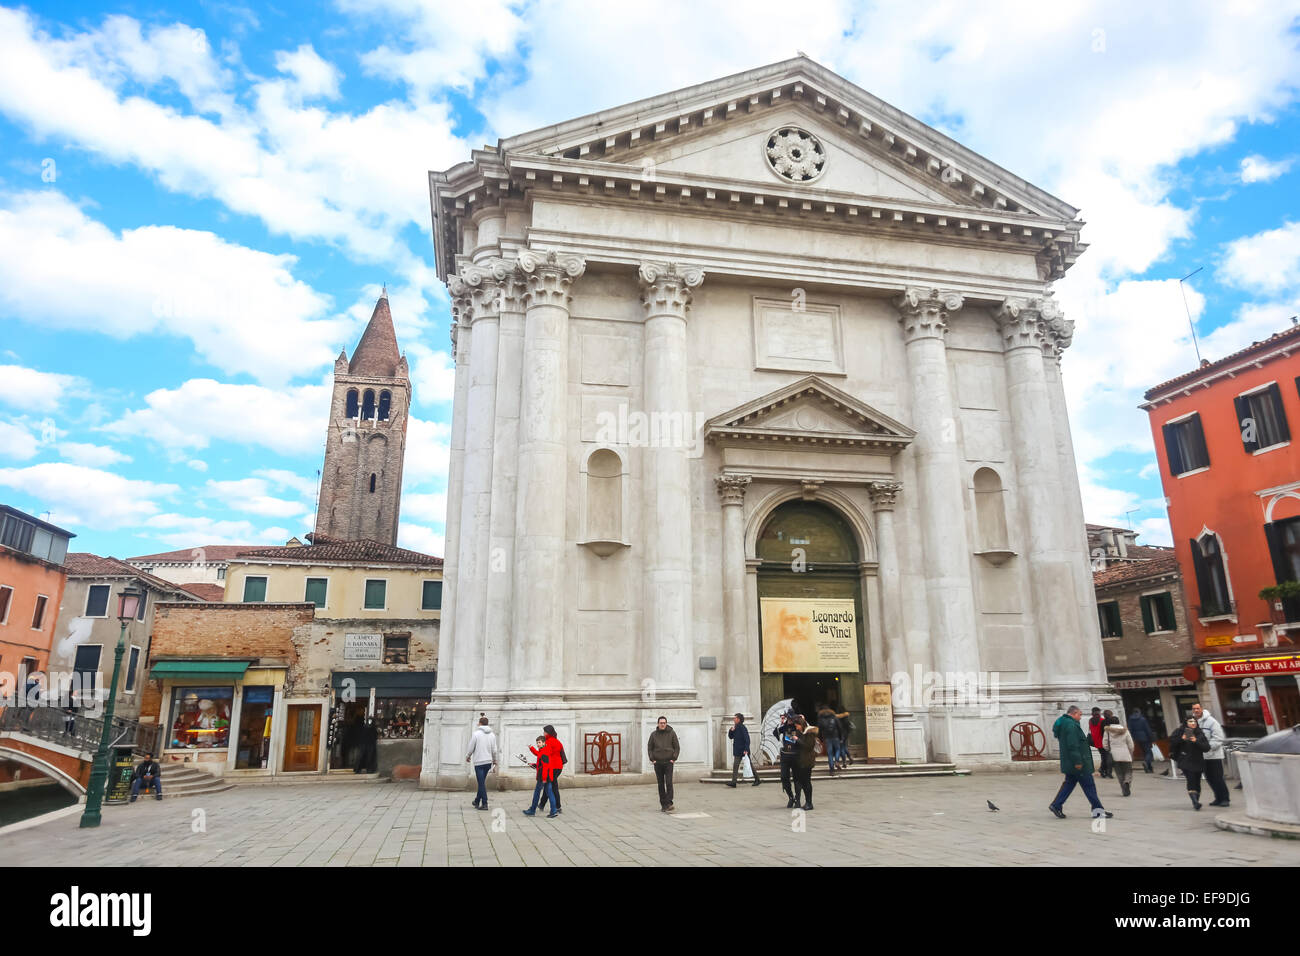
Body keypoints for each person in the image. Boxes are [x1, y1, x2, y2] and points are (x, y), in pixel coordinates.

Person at [1048, 706, 1112, 820]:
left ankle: (1056, 805)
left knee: (1069, 783)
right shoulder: (1071, 725)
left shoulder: (1064, 723)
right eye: (1079, 714)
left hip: (1070, 761)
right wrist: (1078, 761)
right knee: (1089, 786)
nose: (1080, 717)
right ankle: (1097, 811)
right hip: (1078, 762)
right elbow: (1073, 745)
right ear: (1074, 713)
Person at [1190, 703, 1230, 807]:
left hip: (1213, 755)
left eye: (1198, 708)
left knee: (1217, 777)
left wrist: (1207, 748)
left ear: (1202, 709)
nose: (1196, 710)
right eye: (1194, 709)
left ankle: (1225, 798)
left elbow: (1218, 737)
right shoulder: (1192, 722)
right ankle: (1218, 798)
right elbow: (1189, 737)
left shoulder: (1211, 722)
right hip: (1201, 756)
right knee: (1209, 778)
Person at [1169, 717, 1211, 810]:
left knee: (1197, 781)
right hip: (1185, 760)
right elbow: (1172, 744)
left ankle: (1196, 800)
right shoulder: (1179, 731)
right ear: (1186, 722)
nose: (1193, 723)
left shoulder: (1199, 733)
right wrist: (1182, 739)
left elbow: (1206, 748)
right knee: (1191, 779)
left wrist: (1196, 741)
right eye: (1190, 721)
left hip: (1198, 761)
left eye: (1194, 721)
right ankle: (1195, 802)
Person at [523, 729, 562, 818]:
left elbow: (545, 767)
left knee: (537, 792)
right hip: (547, 776)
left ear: (544, 743)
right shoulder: (544, 750)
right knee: (550, 793)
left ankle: (532, 810)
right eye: (537, 743)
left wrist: (544, 778)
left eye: (539, 742)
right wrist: (531, 748)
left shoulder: (544, 752)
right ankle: (553, 811)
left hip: (544, 777)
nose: (538, 744)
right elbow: (538, 754)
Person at [647, 715, 680, 812]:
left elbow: (677, 747)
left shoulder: (672, 733)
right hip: (658, 763)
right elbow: (649, 748)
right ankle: (663, 804)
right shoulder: (653, 735)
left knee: (669, 782)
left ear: (666, 723)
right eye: (661, 723)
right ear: (658, 724)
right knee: (660, 784)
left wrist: (674, 758)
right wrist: (652, 759)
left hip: (669, 762)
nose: (662, 724)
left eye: (664, 723)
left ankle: (669, 802)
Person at [465, 715, 498, 810]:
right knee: (482, 782)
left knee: (481, 783)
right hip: (488, 762)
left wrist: (468, 756)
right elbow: (494, 750)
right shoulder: (492, 735)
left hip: (479, 762)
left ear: (480, 723)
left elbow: (471, 747)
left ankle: (485, 804)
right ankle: (476, 801)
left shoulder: (476, 734)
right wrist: (494, 760)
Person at [773, 709, 800, 808]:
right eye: (789, 717)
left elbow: (803, 736)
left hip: (796, 755)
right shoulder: (783, 727)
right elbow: (775, 733)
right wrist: (780, 723)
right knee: (784, 777)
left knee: (797, 778)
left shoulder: (798, 726)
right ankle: (791, 796)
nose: (791, 719)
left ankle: (797, 799)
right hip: (785, 755)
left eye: (792, 717)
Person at [1104, 716, 1136, 797]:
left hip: (1114, 755)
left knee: (1119, 773)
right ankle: (1127, 782)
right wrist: (1131, 752)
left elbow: (1105, 744)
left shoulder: (1107, 732)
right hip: (1125, 754)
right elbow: (1131, 744)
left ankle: (1124, 790)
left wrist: (1109, 750)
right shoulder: (1125, 731)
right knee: (1128, 771)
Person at [726, 713, 760, 787]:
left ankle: (757, 779)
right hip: (738, 750)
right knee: (735, 766)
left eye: (735, 718)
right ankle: (734, 782)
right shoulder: (735, 727)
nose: (734, 719)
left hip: (743, 750)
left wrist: (746, 749)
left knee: (750, 765)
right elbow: (730, 737)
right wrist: (731, 731)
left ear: (738, 719)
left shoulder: (742, 727)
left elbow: (747, 739)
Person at [538, 725, 566, 814]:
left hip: (552, 768)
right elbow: (563, 755)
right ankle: (542, 804)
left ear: (548, 733)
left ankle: (558, 807)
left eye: (545, 732)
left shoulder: (547, 742)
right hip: (559, 768)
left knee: (553, 787)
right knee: (550, 786)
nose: (543, 733)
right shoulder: (558, 742)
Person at [793, 717, 818, 810]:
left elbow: (808, 746)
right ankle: (807, 802)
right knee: (803, 782)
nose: (796, 728)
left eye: (797, 726)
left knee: (807, 782)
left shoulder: (809, 733)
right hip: (801, 760)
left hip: (807, 761)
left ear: (801, 724)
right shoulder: (802, 733)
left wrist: (797, 740)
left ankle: (809, 803)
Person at [816, 703, 842, 775]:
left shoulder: (820, 718)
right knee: (837, 749)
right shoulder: (834, 717)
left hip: (827, 737)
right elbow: (839, 727)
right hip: (835, 736)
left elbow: (819, 730)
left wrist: (820, 738)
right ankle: (837, 761)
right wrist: (841, 737)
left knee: (830, 753)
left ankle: (831, 770)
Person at [1128, 708, 1155, 773]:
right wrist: (1151, 738)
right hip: (1145, 737)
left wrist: (1132, 738)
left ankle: (1149, 768)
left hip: (1136, 737)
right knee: (1148, 752)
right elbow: (1147, 729)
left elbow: (1130, 729)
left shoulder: (1130, 720)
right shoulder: (1142, 719)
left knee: (1144, 751)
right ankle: (1146, 762)